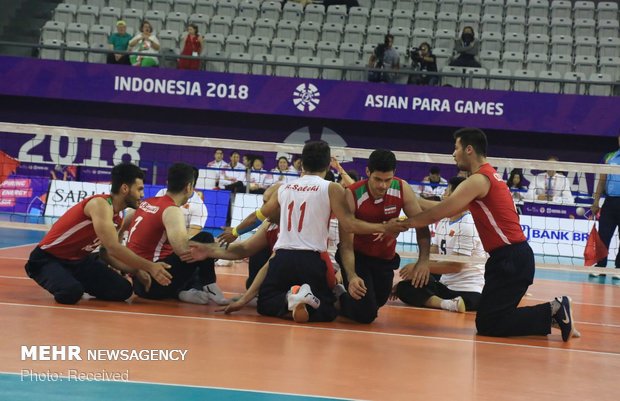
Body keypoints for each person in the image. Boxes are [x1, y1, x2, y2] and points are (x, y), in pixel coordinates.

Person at [401, 128, 576, 342]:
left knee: (489, 324)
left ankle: (554, 310)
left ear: (469, 149)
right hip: (508, 259)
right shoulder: (486, 178)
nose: (453, 154)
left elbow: (440, 211)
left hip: (510, 259)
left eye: (456, 148)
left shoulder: (478, 180)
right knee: (489, 322)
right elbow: (449, 209)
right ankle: (555, 312)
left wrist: (406, 223)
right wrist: (408, 198)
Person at [244, 141, 407, 323]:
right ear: (327, 163)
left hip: (282, 257)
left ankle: (291, 297)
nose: (382, 186)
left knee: (263, 302)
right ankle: (311, 300)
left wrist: (234, 232)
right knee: (329, 309)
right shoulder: (333, 189)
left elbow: (257, 217)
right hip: (315, 260)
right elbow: (350, 225)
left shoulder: (285, 188)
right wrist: (384, 227)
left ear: (302, 163)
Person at [25, 163, 172, 305]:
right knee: (70, 293)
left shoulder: (117, 217)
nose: (142, 194)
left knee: (123, 290)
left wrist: (135, 269)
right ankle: (60, 278)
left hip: (80, 262)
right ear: (125, 188)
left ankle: (72, 279)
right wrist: (150, 266)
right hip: (48, 259)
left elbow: (105, 253)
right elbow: (114, 247)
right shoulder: (100, 205)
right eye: (139, 189)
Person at [335, 149, 431, 324]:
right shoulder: (352, 194)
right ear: (367, 172)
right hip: (358, 258)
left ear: (394, 174)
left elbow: (421, 226)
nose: (383, 186)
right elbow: (346, 245)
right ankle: (335, 297)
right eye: (377, 179)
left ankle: (343, 296)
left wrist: (423, 260)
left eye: (387, 180)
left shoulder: (401, 188)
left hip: (384, 259)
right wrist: (352, 275)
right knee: (366, 314)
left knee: (378, 302)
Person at [125, 163, 221, 304]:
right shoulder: (172, 210)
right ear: (189, 187)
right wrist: (215, 249)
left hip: (138, 283)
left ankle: (182, 292)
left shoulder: (147, 202)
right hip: (156, 282)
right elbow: (183, 250)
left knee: (196, 252)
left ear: (168, 183)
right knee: (205, 239)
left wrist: (120, 233)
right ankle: (209, 286)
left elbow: (127, 219)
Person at [396, 176, 485, 312]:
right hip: (446, 285)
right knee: (405, 286)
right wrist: (418, 267)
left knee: (408, 286)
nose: (443, 195)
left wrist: (417, 267)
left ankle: (447, 303)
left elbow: (455, 266)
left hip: (468, 291)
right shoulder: (444, 220)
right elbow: (434, 252)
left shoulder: (467, 225)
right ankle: (447, 303)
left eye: (447, 191)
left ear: (457, 197)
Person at [591, 135, 620, 280]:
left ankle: (619, 268)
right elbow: (602, 180)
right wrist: (596, 202)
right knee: (603, 235)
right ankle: (600, 266)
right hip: (609, 202)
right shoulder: (610, 157)